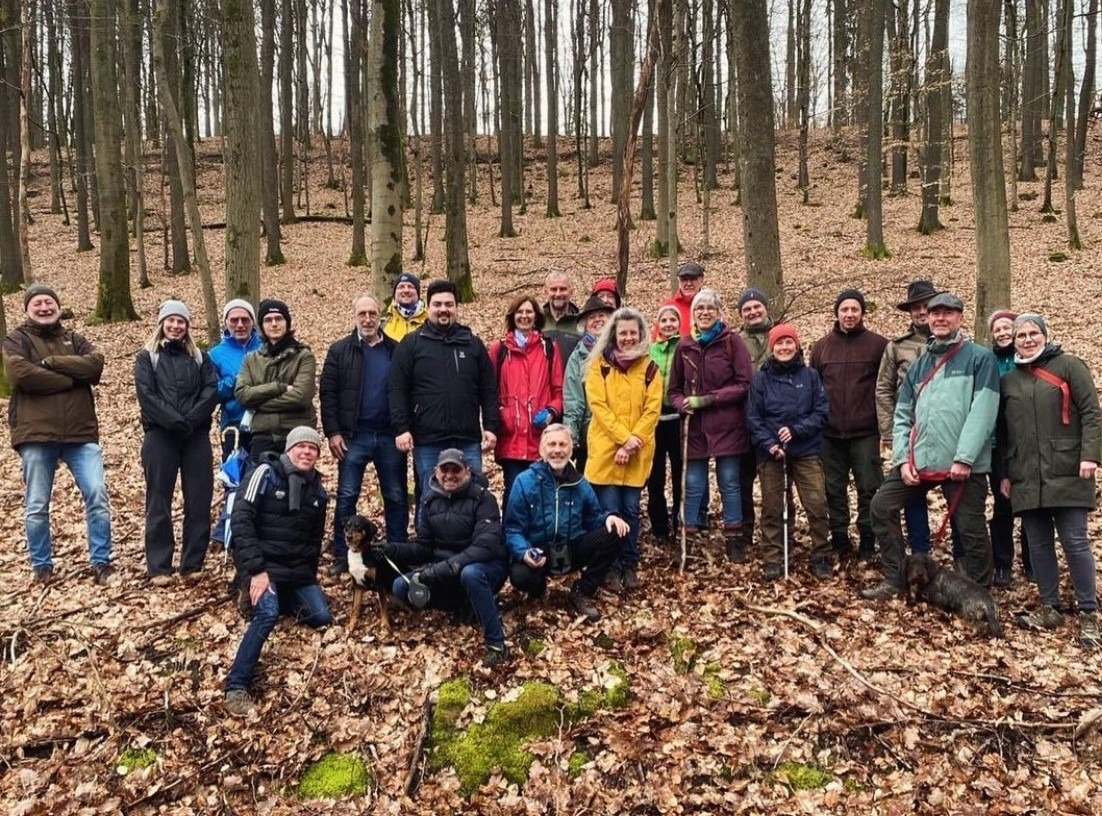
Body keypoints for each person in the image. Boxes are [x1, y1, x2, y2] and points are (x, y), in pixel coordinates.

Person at [863, 292, 1000, 600]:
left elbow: (984, 409)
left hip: (962, 464)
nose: (939, 318)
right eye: (934, 313)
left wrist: (965, 458)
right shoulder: (919, 364)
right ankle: (896, 579)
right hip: (920, 461)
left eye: (947, 313)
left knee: (970, 527)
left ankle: (979, 593)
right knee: (881, 506)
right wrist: (902, 460)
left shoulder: (980, 358)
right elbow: (902, 415)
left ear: (959, 318)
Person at [998, 313, 1099, 648]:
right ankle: (1049, 606)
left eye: (1033, 333)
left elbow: (1090, 412)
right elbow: (1002, 432)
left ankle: (1088, 613)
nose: (1027, 339)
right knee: (1037, 543)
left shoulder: (1070, 366)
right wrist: (1005, 474)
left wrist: (1090, 455)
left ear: (1044, 335)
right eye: (1021, 335)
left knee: (1075, 542)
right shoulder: (1009, 380)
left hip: (1068, 468)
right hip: (1026, 474)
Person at [3, 284, 114, 585]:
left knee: (97, 495)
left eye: (49, 302)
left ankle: (102, 562)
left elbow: (95, 365)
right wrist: (69, 381)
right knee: (37, 504)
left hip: (80, 434)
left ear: (57, 306)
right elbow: (19, 374)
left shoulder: (74, 339)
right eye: (37, 303)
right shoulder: (17, 339)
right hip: (36, 434)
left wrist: (52, 364)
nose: (44, 307)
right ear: (27, 309)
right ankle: (42, 565)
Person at [223, 426, 331, 715]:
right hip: (263, 567)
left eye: (313, 448)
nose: (307, 452)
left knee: (321, 616)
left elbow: (313, 542)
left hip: (295, 574)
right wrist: (256, 571)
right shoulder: (265, 474)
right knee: (268, 614)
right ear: (289, 449)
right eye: (301, 446)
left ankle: (271, 596)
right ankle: (236, 686)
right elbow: (241, 521)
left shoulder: (318, 492)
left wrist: (309, 579)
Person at [379, 448, 510, 667]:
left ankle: (496, 644)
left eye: (455, 470)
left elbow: (485, 547)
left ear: (467, 471)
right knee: (401, 587)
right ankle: (462, 605)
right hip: (444, 570)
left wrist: (441, 570)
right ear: (436, 472)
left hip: (485, 569)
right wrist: (391, 549)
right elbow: (424, 547)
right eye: (444, 470)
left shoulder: (483, 499)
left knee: (470, 574)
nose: (449, 475)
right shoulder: (429, 501)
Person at [320, 294, 408, 577]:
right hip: (353, 435)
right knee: (346, 496)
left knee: (395, 495)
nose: (368, 319)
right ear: (354, 316)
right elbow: (327, 394)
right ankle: (342, 555)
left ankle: (397, 552)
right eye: (362, 314)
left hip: (388, 435)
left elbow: (408, 391)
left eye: (372, 313)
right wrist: (333, 432)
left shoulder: (396, 351)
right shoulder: (339, 351)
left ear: (379, 315)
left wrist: (405, 427)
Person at [389, 279, 500, 501]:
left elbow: (488, 389)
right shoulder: (411, 345)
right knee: (430, 496)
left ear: (457, 308)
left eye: (449, 304)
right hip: (427, 438)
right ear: (428, 307)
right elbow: (397, 389)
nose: (443, 309)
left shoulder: (472, 344)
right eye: (437, 304)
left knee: (473, 494)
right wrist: (402, 427)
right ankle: (427, 537)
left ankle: (472, 536)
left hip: (467, 437)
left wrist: (490, 426)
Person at [506, 424, 630, 621]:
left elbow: (593, 519)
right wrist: (523, 552)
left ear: (571, 450)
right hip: (539, 552)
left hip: (571, 548)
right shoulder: (524, 481)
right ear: (542, 449)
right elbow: (512, 529)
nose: (557, 450)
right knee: (520, 576)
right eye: (552, 444)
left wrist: (609, 517)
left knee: (617, 530)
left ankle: (582, 590)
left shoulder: (580, 483)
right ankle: (538, 590)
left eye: (563, 444)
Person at [134, 300, 219, 581]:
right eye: (170, 321)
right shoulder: (147, 357)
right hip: (160, 436)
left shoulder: (200, 357)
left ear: (187, 326)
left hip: (196, 436)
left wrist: (191, 420)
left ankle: (192, 564)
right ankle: (159, 566)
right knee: (159, 500)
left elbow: (210, 390)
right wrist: (174, 421)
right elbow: (147, 395)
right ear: (162, 324)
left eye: (180, 321)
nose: (175, 326)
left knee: (199, 499)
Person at [668, 289, 753, 562]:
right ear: (693, 314)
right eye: (699, 308)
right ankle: (687, 539)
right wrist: (682, 403)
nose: (704, 312)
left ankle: (734, 539)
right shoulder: (684, 345)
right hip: (694, 427)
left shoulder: (732, 342)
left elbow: (743, 384)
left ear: (719, 312)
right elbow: (674, 390)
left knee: (729, 482)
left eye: (710, 308)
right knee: (693, 484)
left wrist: (709, 400)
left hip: (728, 424)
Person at [585, 307, 662, 589]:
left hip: (637, 453)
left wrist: (632, 444)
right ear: (614, 335)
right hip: (606, 451)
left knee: (630, 511)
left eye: (633, 333)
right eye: (623, 333)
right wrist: (622, 439)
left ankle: (629, 562)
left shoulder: (650, 369)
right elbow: (599, 407)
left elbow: (652, 411)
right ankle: (611, 565)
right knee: (610, 512)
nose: (628, 338)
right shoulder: (599, 367)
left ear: (640, 335)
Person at [747, 324, 831, 580]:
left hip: (806, 449)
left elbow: (821, 412)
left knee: (816, 503)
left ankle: (821, 555)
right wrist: (769, 443)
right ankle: (773, 556)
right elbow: (753, 417)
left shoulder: (810, 376)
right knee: (773, 506)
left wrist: (797, 430)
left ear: (796, 345)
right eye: (779, 344)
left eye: (788, 343)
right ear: (772, 349)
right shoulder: (761, 380)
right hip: (771, 453)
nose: (784, 347)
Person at [810, 288, 888, 561]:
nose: (850, 314)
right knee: (833, 488)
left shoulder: (878, 345)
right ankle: (839, 536)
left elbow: (885, 386)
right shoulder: (821, 347)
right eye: (845, 309)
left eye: (855, 309)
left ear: (862, 312)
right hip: (829, 432)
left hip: (865, 431)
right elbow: (814, 388)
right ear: (837, 313)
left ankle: (868, 536)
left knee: (870, 486)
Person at [875, 280, 939, 558]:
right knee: (911, 492)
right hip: (910, 432)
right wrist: (888, 432)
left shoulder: (956, 345)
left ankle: (964, 560)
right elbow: (883, 389)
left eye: (927, 306)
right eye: (917, 308)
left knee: (957, 497)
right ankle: (919, 553)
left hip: (947, 432)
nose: (922, 312)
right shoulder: (896, 348)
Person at [488, 296, 565, 501]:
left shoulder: (549, 348)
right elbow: (488, 392)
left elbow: (559, 391)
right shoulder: (499, 349)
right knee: (514, 494)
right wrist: (502, 415)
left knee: (542, 496)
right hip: (510, 437)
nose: (524, 316)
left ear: (536, 316)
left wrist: (551, 411)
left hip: (540, 437)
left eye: (529, 312)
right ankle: (511, 534)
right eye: (520, 312)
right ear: (512, 316)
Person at [234, 299, 317, 458]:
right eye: (268, 320)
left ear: (287, 323)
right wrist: (279, 388)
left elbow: (300, 397)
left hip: (297, 433)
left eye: (278, 319)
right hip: (262, 435)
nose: (274, 324)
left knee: (295, 482)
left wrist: (258, 404)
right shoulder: (251, 359)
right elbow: (242, 396)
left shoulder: (303, 356)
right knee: (260, 480)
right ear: (261, 326)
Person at [987, 309, 1030, 586]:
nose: (1002, 333)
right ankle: (1002, 563)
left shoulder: (1028, 361)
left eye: (1007, 328)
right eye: (997, 330)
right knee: (1003, 505)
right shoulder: (987, 360)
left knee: (1030, 506)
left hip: (1027, 443)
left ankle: (1033, 562)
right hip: (996, 443)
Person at [735, 286, 776, 551]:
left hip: (774, 423)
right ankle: (744, 531)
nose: (752, 312)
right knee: (741, 482)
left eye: (756, 307)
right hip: (741, 422)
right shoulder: (735, 341)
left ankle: (778, 533)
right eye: (747, 309)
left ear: (765, 308)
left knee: (775, 483)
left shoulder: (780, 336)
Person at [563, 295, 615, 475]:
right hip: (590, 435)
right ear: (584, 325)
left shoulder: (624, 349)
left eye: (602, 315)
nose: (597, 320)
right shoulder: (577, 358)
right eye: (592, 317)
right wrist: (571, 434)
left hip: (620, 435)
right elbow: (573, 400)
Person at [646, 304, 683, 546]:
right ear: (658, 324)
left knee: (681, 473)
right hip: (655, 419)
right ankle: (659, 525)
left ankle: (680, 521)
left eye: (673, 320)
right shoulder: (649, 351)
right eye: (664, 320)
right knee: (655, 475)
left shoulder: (686, 347)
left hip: (680, 418)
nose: (668, 324)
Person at [209, 299, 263, 460]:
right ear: (226, 322)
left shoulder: (266, 347)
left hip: (265, 425)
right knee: (234, 480)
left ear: (253, 322)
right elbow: (213, 393)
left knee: (264, 480)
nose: (240, 325)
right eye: (234, 320)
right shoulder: (215, 354)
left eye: (245, 320)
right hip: (233, 425)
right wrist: (238, 379)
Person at [662, 262, 706, 336]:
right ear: (679, 281)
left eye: (693, 279)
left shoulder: (711, 306)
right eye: (684, 280)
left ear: (701, 280)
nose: (688, 284)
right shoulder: (668, 307)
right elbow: (658, 339)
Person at [382, 272, 428, 342]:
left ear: (418, 292)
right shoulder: (383, 321)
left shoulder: (431, 319)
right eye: (401, 287)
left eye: (410, 286)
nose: (406, 290)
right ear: (394, 293)